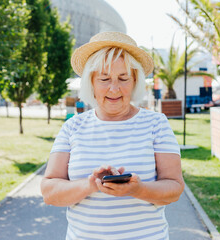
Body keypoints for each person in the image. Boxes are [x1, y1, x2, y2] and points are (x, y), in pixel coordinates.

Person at [41, 31, 184, 240]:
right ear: (91, 82)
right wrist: (90, 184)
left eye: (123, 78)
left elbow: (174, 188)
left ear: (135, 81)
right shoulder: (72, 127)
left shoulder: (156, 124)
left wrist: (138, 189)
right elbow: (49, 191)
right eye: (104, 79)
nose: (114, 88)